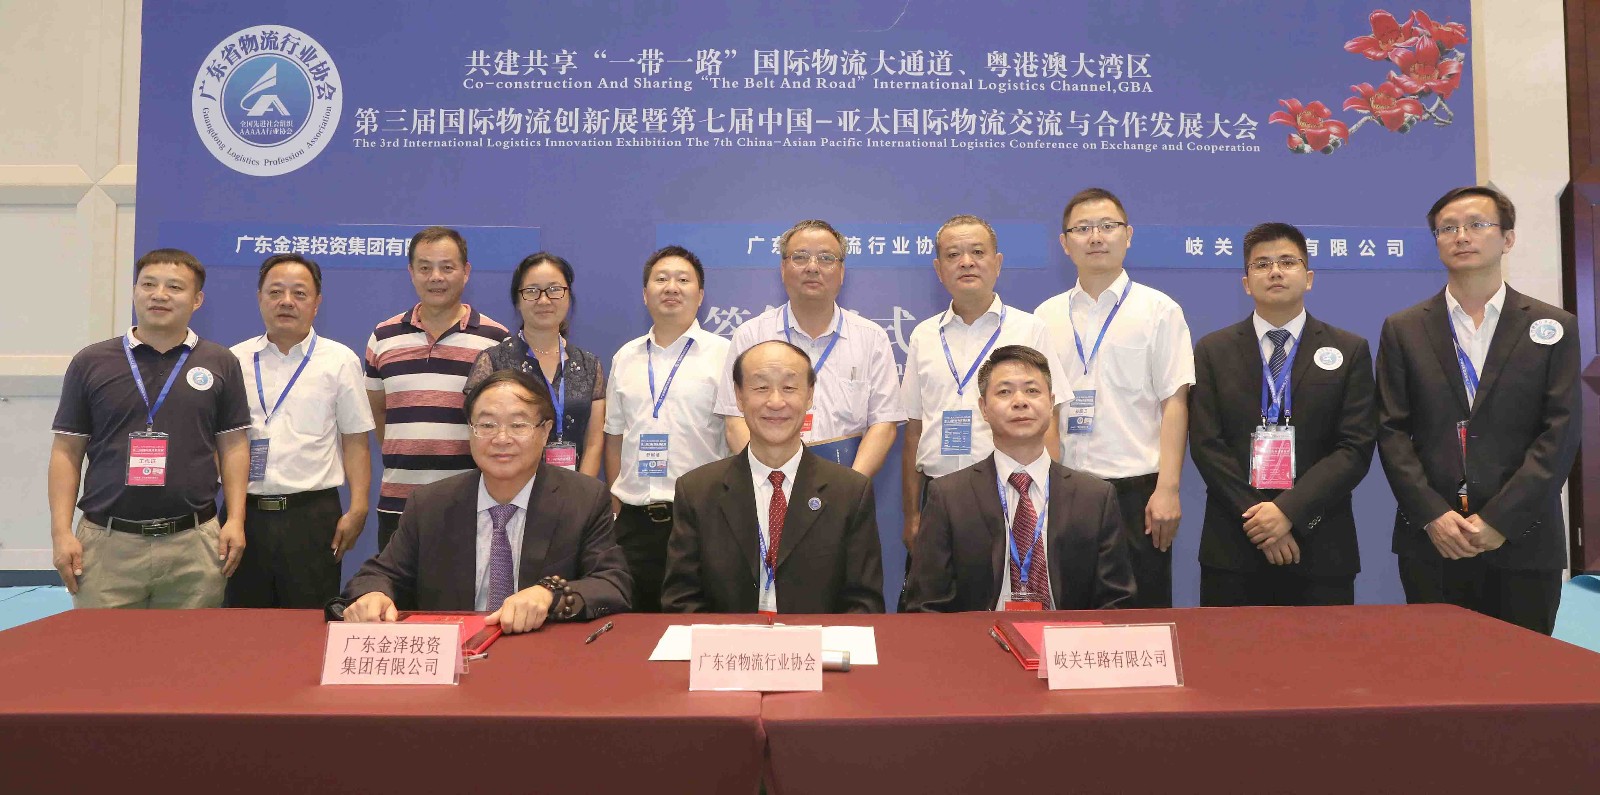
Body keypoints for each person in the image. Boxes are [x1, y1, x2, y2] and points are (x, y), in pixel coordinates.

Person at [1377, 186, 1580, 635]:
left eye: (1477, 224)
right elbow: (1391, 431)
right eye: (1447, 228)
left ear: (1507, 238)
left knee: (1523, 671)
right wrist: (1432, 515)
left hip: (1524, 538)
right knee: (1439, 669)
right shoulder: (1404, 329)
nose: (1461, 236)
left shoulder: (1552, 326)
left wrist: (1499, 520)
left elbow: (1560, 433)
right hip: (1434, 540)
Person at [340, 369, 631, 632]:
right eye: (487, 425)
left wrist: (550, 594)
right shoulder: (430, 504)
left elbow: (612, 584)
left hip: (541, 657)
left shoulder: (583, 499)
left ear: (544, 432)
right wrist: (373, 595)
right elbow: (377, 574)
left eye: (518, 425)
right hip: (456, 656)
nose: (501, 438)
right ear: (470, 430)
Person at [48, 249, 250, 608]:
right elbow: (66, 451)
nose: (159, 295)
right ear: (134, 291)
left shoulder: (220, 362)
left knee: (190, 645)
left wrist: (235, 519)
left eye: (175, 287)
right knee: (104, 645)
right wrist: (61, 533)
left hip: (194, 545)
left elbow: (233, 446)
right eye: (149, 284)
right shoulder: (91, 362)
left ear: (197, 300)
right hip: (107, 544)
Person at [1189, 223, 1376, 607]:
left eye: (1287, 262)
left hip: (1321, 545)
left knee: (1323, 649)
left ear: (1308, 278)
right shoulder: (1212, 350)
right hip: (1234, 546)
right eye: (1262, 264)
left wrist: (1288, 512)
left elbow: (1354, 448)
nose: (1275, 271)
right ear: (1246, 283)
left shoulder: (1349, 349)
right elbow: (1207, 445)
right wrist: (1261, 520)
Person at [1035, 187, 1195, 608]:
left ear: (1128, 235)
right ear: (1064, 243)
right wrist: (1047, 486)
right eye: (1082, 228)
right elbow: (1046, 410)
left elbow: (1175, 403)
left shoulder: (1159, 310)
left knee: (1141, 619)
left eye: (1107, 226)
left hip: (1138, 493)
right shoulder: (1045, 317)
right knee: (1070, 616)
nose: (1095, 237)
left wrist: (1168, 489)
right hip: (1067, 489)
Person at [903, 345, 1135, 612]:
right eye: (1004, 392)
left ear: (1051, 403)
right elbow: (927, 606)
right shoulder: (949, 497)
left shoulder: (1095, 498)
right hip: (979, 637)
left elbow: (1116, 603)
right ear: (983, 408)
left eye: (1032, 391)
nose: (1020, 401)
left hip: (1066, 636)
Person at [662, 340, 885, 614]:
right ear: (739, 396)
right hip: (728, 640)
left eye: (789, 388)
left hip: (815, 641)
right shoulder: (697, 491)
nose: (776, 402)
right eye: (761, 388)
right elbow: (681, 601)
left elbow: (863, 604)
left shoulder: (850, 492)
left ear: (809, 395)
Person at [900, 214, 1064, 553]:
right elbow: (914, 430)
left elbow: (1049, 423)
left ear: (997, 263)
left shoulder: (1030, 329)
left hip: (1013, 492)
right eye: (953, 255)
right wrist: (912, 514)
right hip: (938, 490)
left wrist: (1048, 503)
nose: (966, 262)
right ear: (938, 269)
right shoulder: (923, 335)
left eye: (977, 252)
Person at [228, 254, 375, 608]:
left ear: (317, 302)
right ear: (259, 297)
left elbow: (355, 440)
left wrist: (358, 507)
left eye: (299, 293)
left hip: (312, 516)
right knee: (243, 623)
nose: (286, 301)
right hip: (246, 514)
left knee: (309, 622)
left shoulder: (339, 360)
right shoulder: (233, 360)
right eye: (275, 292)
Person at [713, 219, 903, 475]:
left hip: (846, 482)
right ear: (783, 268)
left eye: (826, 258)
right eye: (800, 257)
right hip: (769, 484)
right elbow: (735, 420)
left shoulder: (872, 338)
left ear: (842, 271)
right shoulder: (751, 335)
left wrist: (849, 488)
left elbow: (884, 424)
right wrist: (771, 479)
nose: (813, 267)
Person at [603, 246, 730, 612]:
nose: (671, 287)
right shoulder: (625, 357)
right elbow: (615, 437)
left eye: (683, 279)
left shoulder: (725, 354)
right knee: (634, 629)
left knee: (701, 625)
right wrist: (617, 507)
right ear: (645, 294)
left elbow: (736, 436)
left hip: (703, 519)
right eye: (661, 279)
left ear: (701, 295)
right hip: (635, 523)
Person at [365, 226, 508, 551]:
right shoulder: (383, 337)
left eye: (447, 267)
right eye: (425, 267)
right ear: (411, 272)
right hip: (398, 504)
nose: (436, 277)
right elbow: (379, 412)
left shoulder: (496, 340)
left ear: (466, 271)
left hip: (470, 504)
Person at [465, 252, 605, 478]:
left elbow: (594, 443)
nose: (544, 300)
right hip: (508, 486)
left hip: (574, 489)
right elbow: (478, 435)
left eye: (554, 289)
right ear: (517, 300)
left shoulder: (589, 365)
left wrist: (581, 493)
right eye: (532, 291)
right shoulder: (492, 361)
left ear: (568, 296)